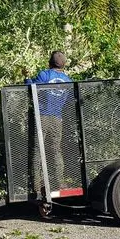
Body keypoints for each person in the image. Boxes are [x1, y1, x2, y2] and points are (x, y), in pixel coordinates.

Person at [25, 51, 75, 194]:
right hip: (57, 118)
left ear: (50, 62)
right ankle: (60, 183)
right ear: (64, 64)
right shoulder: (67, 80)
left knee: (37, 150)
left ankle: (36, 186)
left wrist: (26, 78)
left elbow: (31, 87)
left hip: (42, 116)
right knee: (56, 150)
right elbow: (70, 98)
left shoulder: (44, 75)